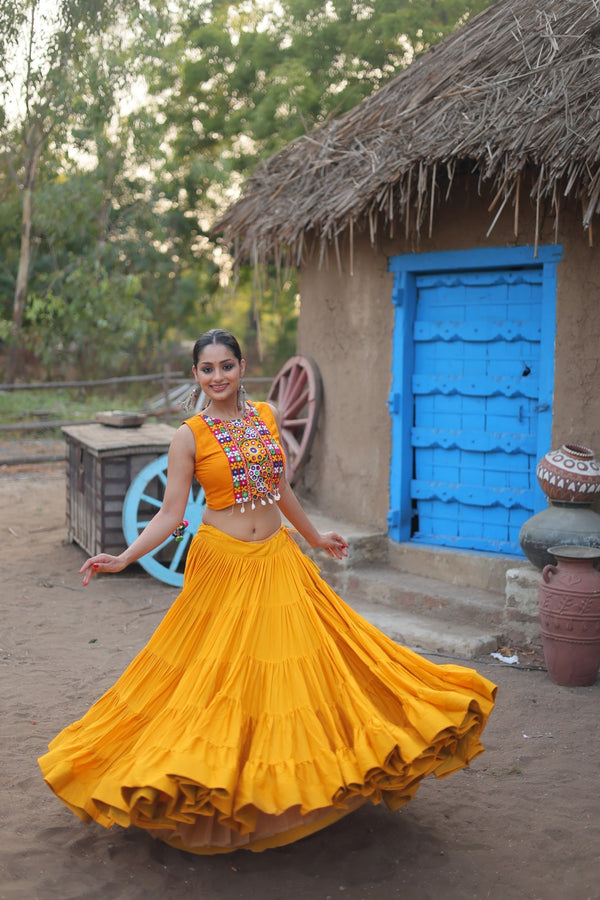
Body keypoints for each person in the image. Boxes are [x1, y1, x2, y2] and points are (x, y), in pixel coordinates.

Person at [39, 328, 497, 854]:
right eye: (207, 369)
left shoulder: (266, 416)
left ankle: (293, 787)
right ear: (195, 375)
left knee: (295, 673)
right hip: (222, 564)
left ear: (241, 367)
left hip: (277, 558)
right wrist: (123, 557)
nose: (217, 377)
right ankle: (214, 786)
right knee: (220, 678)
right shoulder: (189, 435)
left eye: (226, 366)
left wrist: (315, 537)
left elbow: (280, 488)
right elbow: (171, 514)